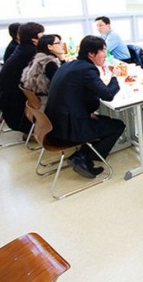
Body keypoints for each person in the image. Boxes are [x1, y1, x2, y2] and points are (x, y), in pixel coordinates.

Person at [45, 35, 126, 179]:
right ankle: (83, 157)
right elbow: (108, 95)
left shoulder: (70, 65)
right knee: (117, 125)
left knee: (104, 120)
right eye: (103, 51)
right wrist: (114, 77)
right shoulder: (87, 70)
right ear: (91, 54)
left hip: (53, 124)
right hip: (68, 128)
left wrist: (88, 111)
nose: (105, 54)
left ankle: (82, 154)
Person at [0, 22, 45, 135]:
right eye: (42, 34)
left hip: (8, 96)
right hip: (16, 100)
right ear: (34, 39)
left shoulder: (20, 48)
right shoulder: (32, 52)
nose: (44, 37)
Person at [20, 34, 65, 109]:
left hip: (40, 100)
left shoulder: (37, 59)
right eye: (58, 43)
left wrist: (61, 59)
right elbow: (61, 84)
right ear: (49, 47)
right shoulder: (49, 63)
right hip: (49, 103)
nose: (62, 45)